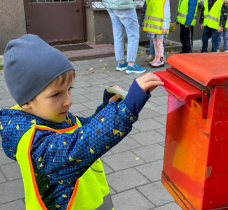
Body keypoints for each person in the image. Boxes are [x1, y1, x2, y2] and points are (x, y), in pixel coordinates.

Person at [1, 34, 163, 210]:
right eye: (56, 94)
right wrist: (124, 111)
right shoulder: (33, 141)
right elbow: (74, 148)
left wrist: (107, 108)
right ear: (26, 100)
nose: (68, 100)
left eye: (69, 89)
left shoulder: (52, 116)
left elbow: (83, 129)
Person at [102, 0, 146, 74]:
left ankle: (121, 62)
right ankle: (131, 65)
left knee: (118, 34)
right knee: (133, 35)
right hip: (125, 4)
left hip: (110, 4)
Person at [143, 0, 171, 67]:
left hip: (161, 26)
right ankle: (156, 58)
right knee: (155, 43)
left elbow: (166, 13)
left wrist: (166, 26)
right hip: (154, 26)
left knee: (159, 44)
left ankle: (160, 60)